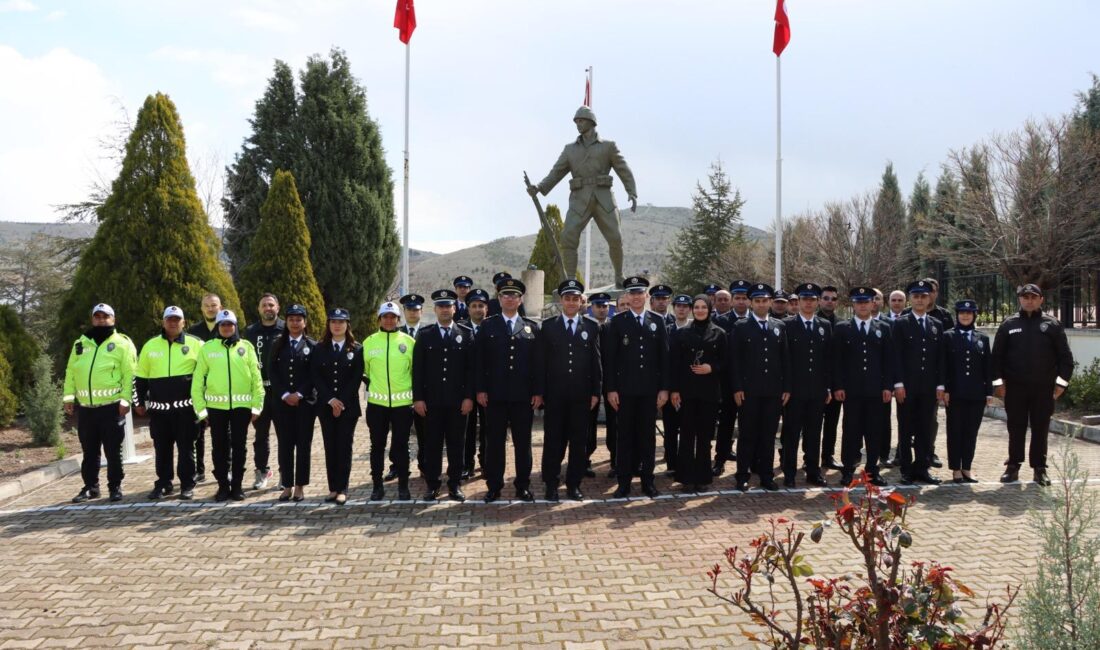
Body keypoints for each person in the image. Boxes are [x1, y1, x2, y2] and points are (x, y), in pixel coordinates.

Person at [528, 106, 638, 287]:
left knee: (616, 238)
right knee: (568, 236)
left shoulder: (608, 146)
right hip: (579, 199)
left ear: (591, 122)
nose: (578, 124)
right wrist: (539, 187)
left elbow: (623, 169)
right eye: (576, 121)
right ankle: (571, 279)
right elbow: (556, 172)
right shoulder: (570, 150)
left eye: (581, 120)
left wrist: (631, 192)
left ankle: (619, 276)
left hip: (603, 198)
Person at [991, 283, 1073, 486]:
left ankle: (1039, 469)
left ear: (1041, 299)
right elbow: (996, 359)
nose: (1029, 300)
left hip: (1043, 389)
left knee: (1040, 428)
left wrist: (1061, 385)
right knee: (1015, 427)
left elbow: (1066, 359)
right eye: (1025, 297)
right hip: (1015, 388)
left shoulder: (1052, 325)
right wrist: (998, 385)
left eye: (1033, 297)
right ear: (1019, 299)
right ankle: (1013, 467)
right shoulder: (1008, 324)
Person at [475, 277, 544, 502]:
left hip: (523, 397)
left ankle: (522, 485)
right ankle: (494, 485)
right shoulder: (488, 325)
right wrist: (481, 390)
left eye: (514, 295)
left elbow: (537, 364)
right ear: (499, 298)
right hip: (494, 396)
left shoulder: (531, 327)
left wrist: (538, 392)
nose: (510, 298)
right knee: (495, 443)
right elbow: (480, 362)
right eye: (506, 294)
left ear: (520, 299)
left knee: (523, 443)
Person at [604, 276, 669, 499]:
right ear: (627, 297)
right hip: (625, 391)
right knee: (625, 438)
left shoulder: (657, 321)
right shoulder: (617, 322)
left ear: (646, 296)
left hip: (650, 391)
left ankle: (648, 482)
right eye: (632, 293)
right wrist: (611, 389)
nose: (636, 297)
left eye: (640, 293)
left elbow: (664, 359)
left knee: (647, 438)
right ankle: (624, 483)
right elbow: (610, 360)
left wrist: (664, 389)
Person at [64, 303, 136, 503]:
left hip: (111, 407)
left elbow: (130, 373)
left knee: (113, 451)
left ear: (113, 319)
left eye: (105, 317)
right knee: (89, 452)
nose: (101, 320)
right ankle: (90, 487)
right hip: (87, 409)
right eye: (97, 316)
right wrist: (69, 397)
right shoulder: (81, 343)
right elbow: (71, 371)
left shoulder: (122, 343)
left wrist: (126, 399)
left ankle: (115, 487)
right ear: (92, 319)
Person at [191, 309, 264, 501]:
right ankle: (223, 486)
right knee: (219, 448)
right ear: (218, 327)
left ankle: (237, 486)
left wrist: (257, 406)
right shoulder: (207, 348)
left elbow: (257, 379)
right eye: (222, 324)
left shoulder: (246, 347)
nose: (226, 328)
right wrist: (201, 410)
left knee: (240, 447)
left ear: (235, 326)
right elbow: (197, 381)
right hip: (216, 409)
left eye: (230, 324)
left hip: (242, 407)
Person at [539, 280, 602, 501]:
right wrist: (541, 392)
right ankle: (551, 484)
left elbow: (596, 362)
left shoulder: (592, 326)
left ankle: (574, 484)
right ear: (561, 301)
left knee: (578, 442)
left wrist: (596, 392)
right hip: (555, 395)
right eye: (568, 298)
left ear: (581, 301)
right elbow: (541, 364)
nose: (572, 302)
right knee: (553, 440)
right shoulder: (548, 327)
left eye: (576, 298)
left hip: (581, 396)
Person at [135, 306, 203, 500]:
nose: (173, 323)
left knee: (186, 449)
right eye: (169, 319)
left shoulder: (196, 344)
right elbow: (140, 377)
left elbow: (206, 376)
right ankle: (164, 483)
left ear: (183, 322)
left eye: (177, 319)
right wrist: (138, 401)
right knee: (162, 449)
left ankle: (187, 485)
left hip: (186, 410)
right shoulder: (150, 345)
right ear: (163, 322)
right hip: (159, 411)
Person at [413, 290, 475, 502]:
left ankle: (455, 484)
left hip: (458, 402)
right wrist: (418, 398)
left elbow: (470, 369)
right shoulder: (425, 334)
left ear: (455, 308)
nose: (445, 309)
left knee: (457, 444)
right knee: (432, 445)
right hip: (431, 402)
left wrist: (469, 397)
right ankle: (432, 484)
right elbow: (418, 370)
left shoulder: (466, 333)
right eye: (441, 306)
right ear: (435, 309)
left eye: (448, 306)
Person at [832, 287, 894, 487]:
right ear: (853, 304)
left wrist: (887, 386)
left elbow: (888, 360)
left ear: (872, 303)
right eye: (859, 302)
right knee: (851, 430)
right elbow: (837, 360)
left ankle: (872, 470)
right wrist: (839, 385)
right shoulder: (843, 328)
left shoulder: (883, 327)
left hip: (875, 390)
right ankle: (848, 469)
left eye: (866, 302)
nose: (862, 305)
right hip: (852, 390)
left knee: (874, 430)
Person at [731, 284, 790, 491]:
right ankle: (742, 475)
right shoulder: (741, 326)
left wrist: (786, 387)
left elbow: (785, 359)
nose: (761, 304)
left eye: (765, 300)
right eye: (757, 301)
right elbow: (735, 361)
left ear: (770, 302)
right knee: (747, 435)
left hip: (773, 391)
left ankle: (766, 475)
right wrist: (737, 387)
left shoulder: (779, 326)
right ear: (750, 303)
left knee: (768, 435)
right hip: (749, 391)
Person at [668, 296, 725, 492]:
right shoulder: (681, 333)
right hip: (686, 392)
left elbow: (727, 362)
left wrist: (712, 367)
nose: (700, 310)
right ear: (693, 310)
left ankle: (702, 477)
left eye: (704, 307)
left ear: (709, 309)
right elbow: (673, 364)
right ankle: (685, 477)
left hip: (709, 393)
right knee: (686, 435)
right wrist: (674, 389)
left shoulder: (719, 333)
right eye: (697, 307)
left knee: (704, 437)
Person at [892, 279, 945, 485]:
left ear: (929, 298)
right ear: (910, 300)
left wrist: (940, 385)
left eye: (923, 296)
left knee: (925, 428)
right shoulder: (901, 324)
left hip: (929, 387)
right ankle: (906, 469)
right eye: (916, 296)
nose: (920, 300)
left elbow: (940, 357)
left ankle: (922, 468)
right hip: (907, 386)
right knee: (906, 428)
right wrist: (898, 384)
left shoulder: (936, 325)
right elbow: (896, 356)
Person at [780, 283, 832, 488]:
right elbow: (784, 360)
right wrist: (786, 387)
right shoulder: (787, 325)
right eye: (804, 299)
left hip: (817, 390)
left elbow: (828, 359)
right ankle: (790, 473)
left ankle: (813, 471)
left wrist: (827, 386)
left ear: (817, 301)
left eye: (812, 299)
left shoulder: (824, 325)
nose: (809, 303)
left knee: (813, 433)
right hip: (794, 390)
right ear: (798, 302)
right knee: (791, 434)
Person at [364, 302, 417, 501]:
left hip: (402, 405)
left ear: (398, 319)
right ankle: (377, 485)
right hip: (377, 406)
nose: (388, 320)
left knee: (401, 446)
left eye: (392, 317)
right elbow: (366, 372)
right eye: (385, 316)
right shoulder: (369, 342)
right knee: (377, 446)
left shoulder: (409, 342)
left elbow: (414, 372)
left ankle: (403, 485)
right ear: (379, 319)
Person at [312, 308, 364, 505]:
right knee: (330, 447)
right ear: (329, 325)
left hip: (348, 407)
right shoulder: (320, 348)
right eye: (333, 321)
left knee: (344, 447)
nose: (337, 325)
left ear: (347, 325)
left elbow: (355, 379)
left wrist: (340, 401)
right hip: (326, 406)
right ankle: (333, 488)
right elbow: (316, 376)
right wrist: (330, 400)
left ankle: (343, 488)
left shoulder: (356, 349)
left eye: (341, 322)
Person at [267, 304, 316, 502]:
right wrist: (285, 394)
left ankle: (300, 487)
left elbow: (314, 374)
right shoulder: (277, 344)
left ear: (305, 322)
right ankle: (286, 485)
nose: (295, 323)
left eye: (299, 319)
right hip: (282, 403)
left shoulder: (312, 346)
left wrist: (300, 394)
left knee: (303, 445)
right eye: (291, 319)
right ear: (286, 322)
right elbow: (272, 372)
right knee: (285, 445)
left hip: (305, 404)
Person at [941, 300, 992, 483]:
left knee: (971, 431)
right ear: (957, 315)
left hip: (976, 394)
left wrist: (988, 392)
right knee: (955, 431)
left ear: (974, 316)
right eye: (962, 313)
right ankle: (955, 468)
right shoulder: (948, 336)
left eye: (969, 313)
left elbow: (987, 368)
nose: (965, 316)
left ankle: (966, 468)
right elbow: (943, 365)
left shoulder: (982, 338)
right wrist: (945, 389)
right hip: (955, 393)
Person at [243, 293, 284, 491]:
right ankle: (262, 471)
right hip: (259, 394)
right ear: (258, 309)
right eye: (264, 305)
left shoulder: (285, 329)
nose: (268, 308)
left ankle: (286, 472)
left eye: (271, 305)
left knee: (285, 435)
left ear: (278, 308)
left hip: (281, 393)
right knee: (260, 436)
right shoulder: (250, 332)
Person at [712, 279, 750, 476]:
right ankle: (720, 459)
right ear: (732, 300)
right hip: (726, 382)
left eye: (745, 298)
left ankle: (750, 462)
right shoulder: (720, 321)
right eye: (738, 298)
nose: (741, 302)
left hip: (751, 382)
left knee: (749, 424)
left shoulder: (756, 320)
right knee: (726, 423)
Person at [387, 292, 425, 482]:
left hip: (423, 392)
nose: (412, 313)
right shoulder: (395, 334)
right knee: (399, 433)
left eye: (415, 309)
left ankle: (424, 464)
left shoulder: (427, 332)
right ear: (404, 312)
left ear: (421, 311)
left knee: (424, 431)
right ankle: (397, 465)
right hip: (400, 392)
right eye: (409, 309)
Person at [188, 293, 222, 484]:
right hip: (200, 388)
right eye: (207, 305)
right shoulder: (194, 331)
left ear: (220, 307)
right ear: (202, 308)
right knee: (198, 432)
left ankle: (222, 469)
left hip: (221, 388)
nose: (210, 308)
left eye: (214, 305)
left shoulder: (227, 327)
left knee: (223, 434)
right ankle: (198, 470)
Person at [588, 292, 619, 476]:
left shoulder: (613, 328)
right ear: (592, 307)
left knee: (614, 423)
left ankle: (616, 460)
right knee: (587, 423)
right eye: (598, 306)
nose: (602, 309)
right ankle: (585, 459)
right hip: (590, 382)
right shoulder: (587, 327)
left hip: (610, 382)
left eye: (605, 306)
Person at [461, 288, 490, 479]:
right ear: (468, 308)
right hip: (466, 388)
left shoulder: (494, 327)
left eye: (481, 306)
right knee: (466, 429)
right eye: (474, 306)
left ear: (486, 308)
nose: (478, 309)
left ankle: (486, 462)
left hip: (489, 388)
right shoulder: (460, 330)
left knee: (488, 429)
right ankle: (466, 465)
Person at [662, 294, 693, 474]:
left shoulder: (695, 329)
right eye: (678, 306)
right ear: (673, 308)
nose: (681, 309)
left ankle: (685, 463)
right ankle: (672, 463)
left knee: (688, 429)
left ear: (689, 309)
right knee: (671, 429)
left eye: (685, 306)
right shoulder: (665, 330)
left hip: (689, 389)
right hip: (670, 386)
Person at [817, 285, 843, 471]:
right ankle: (808, 457)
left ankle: (828, 456)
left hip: (835, 383)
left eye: (833, 299)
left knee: (832, 423)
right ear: (819, 300)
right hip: (815, 382)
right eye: (826, 298)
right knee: (812, 424)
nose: (829, 301)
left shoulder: (842, 324)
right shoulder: (813, 320)